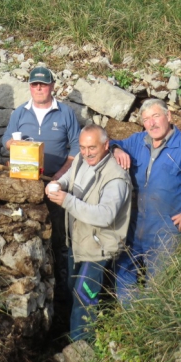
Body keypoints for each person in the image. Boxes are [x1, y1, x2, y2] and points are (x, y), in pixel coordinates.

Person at [111, 98, 181, 302]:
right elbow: (108, 142)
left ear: (168, 116)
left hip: (165, 233)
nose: (151, 123)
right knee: (124, 277)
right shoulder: (137, 141)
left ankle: (153, 328)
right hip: (133, 228)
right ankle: (130, 324)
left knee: (159, 289)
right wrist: (116, 149)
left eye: (156, 116)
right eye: (146, 119)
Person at [2, 66, 81, 302]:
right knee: (28, 237)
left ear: (52, 86)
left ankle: (64, 295)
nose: (38, 88)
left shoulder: (65, 113)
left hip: (56, 185)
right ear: (30, 87)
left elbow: (76, 150)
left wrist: (60, 176)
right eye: (35, 84)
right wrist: (16, 146)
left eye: (43, 84)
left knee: (60, 240)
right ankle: (35, 288)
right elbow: (6, 139)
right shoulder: (19, 113)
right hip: (26, 189)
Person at [46, 124, 132, 341]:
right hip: (78, 241)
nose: (86, 153)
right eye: (82, 147)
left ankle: (81, 347)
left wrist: (67, 200)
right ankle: (69, 335)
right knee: (72, 288)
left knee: (84, 299)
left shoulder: (116, 178)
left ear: (106, 145)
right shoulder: (82, 160)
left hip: (97, 248)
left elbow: (105, 216)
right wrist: (58, 183)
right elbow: (70, 178)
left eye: (91, 147)